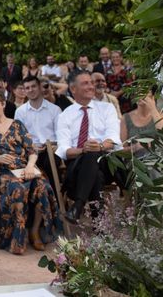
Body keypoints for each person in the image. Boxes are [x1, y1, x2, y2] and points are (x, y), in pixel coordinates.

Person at [0, 89, 62, 254]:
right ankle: (16, 239)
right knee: (17, 189)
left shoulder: (17, 125)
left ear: (3, 104)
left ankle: (35, 231)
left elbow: (32, 151)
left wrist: (31, 166)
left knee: (43, 186)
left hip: (24, 168)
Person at [56, 71, 122, 223]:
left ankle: (78, 206)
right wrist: (84, 150)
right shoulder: (65, 115)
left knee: (94, 154)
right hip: (78, 166)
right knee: (95, 172)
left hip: (106, 162)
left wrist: (98, 146)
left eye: (91, 83)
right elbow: (64, 150)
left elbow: (113, 139)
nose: (91, 86)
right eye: (85, 83)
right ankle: (99, 225)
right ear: (73, 89)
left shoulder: (107, 108)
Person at [15, 76, 63, 185]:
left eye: (33, 86)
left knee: (49, 163)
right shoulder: (20, 112)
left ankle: (55, 196)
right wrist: (31, 148)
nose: (30, 90)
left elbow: (61, 135)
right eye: (27, 88)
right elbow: (19, 136)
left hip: (51, 150)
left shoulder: (55, 110)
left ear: (40, 87)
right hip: (30, 151)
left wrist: (54, 146)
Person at [120, 90, 163, 159]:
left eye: (144, 92)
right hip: (137, 162)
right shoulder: (125, 118)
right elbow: (122, 150)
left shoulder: (161, 114)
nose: (140, 95)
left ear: (152, 96)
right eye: (137, 92)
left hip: (159, 158)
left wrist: (152, 108)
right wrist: (136, 147)